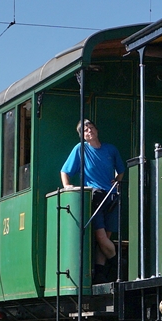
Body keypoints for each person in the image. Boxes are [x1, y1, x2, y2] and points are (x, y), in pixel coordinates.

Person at [59, 119, 126, 278]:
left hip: (111, 197)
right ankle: (119, 265)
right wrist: (67, 186)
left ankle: (100, 273)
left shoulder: (111, 150)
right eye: (85, 130)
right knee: (101, 237)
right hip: (95, 197)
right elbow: (64, 171)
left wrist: (117, 181)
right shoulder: (80, 149)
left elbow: (121, 170)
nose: (89, 131)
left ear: (96, 130)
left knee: (106, 239)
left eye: (91, 128)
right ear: (82, 136)